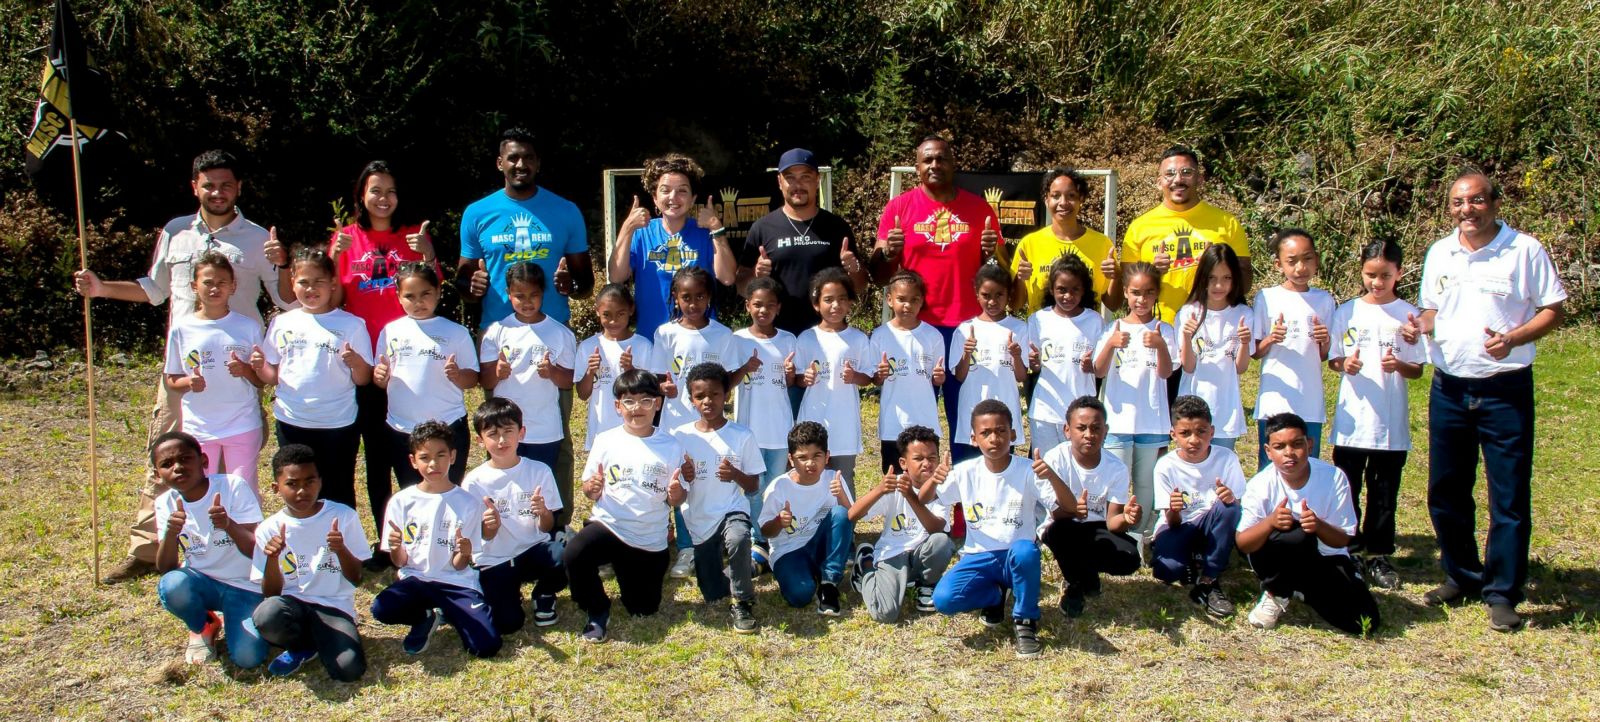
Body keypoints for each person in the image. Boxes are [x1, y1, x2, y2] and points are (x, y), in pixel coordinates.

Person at [73, 149, 291, 582]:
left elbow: (284, 300)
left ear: (239, 188)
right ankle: (148, 546)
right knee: (167, 453)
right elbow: (153, 290)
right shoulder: (175, 233)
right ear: (195, 187)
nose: (217, 192)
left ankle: (236, 546)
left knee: (233, 465)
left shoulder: (256, 239)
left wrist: (282, 263)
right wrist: (100, 289)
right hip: (184, 372)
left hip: (235, 376)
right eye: (208, 184)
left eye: (226, 184)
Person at [1413, 170, 1567, 632]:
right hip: (1450, 387)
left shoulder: (1524, 250)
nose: (1467, 210)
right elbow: (1431, 310)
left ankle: (1502, 592)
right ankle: (1461, 575)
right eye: (1458, 203)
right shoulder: (1440, 252)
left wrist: (1515, 337)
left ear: (1494, 204)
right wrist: (1418, 326)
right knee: (1447, 490)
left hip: (1504, 389)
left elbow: (1553, 308)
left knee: (1509, 495)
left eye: (1476, 201)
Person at [460, 129, 593, 537]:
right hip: (498, 336)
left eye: (528, 158)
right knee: (502, 429)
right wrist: (471, 287)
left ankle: (559, 519)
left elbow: (584, 281)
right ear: (500, 163)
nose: (521, 165)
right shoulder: (477, 213)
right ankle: (507, 515)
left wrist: (573, 285)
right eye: (513, 158)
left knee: (555, 429)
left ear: (538, 163)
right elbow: (464, 280)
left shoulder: (565, 210)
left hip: (551, 333)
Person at [332, 160, 444, 551]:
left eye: (390, 190)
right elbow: (331, 297)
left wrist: (428, 255)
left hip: (410, 362)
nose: (383, 198)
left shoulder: (414, 236)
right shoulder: (345, 239)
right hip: (366, 363)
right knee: (376, 456)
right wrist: (334, 257)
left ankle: (426, 532)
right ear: (362, 196)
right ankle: (386, 540)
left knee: (413, 452)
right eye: (375, 190)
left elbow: (433, 291)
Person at [869, 136, 1003, 435]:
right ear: (917, 167)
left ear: (953, 164)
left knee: (970, 421)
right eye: (927, 160)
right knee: (914, 426)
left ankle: (967, 477)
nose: (934, 165)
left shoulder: (979, 209)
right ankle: (915, 481)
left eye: (941, 158)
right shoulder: (898, 208)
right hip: (917, 328)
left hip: (966, 328)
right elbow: (878, 275)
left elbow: (992, 272)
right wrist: (889, 253)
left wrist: (991, 253)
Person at [931, 400, 1072, 659]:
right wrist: (934, 478)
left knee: (1026, 551)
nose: (994, 438)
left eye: (1001, 431)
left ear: (1013, 434)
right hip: (978, 556)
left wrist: (1052, 476)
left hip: (1015, 555)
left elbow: (1070, 508)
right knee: (944, 600)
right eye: (985, 433)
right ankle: (995, 596)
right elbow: (927, 498)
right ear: (974, 439)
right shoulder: (964, 472)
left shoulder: (1028, 470)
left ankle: (1025, 621)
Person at [1327, 240, 1426, 590]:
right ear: (1361, 272)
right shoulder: (1347, 311)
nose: (1377, 282)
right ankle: (1349, 550)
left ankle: (1378, 555)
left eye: (1385, 275)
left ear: (1399, 272)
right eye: (1371, 274)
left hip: (1389, 423)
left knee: (1384, 492)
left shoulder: (1409, 314)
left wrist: (1399, 364)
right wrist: (1345, 365)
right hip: (1352, 422)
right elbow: (1333, 359)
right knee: (1348, 488)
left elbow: (1417, 369)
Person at [564, 369, 690, 643]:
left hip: (647, 538)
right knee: (574, 554)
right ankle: (597, 608)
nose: (637, 408)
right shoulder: (605, 440)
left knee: (643, 609)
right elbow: (589, 489)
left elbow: (676, 500)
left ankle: (626, 569)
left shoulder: (671, 445)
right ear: (617, 406)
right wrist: (591, 488)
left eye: (646, 401)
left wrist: (676, 493)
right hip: (609, 524)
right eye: (629, 401)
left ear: (657, 404)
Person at [1121, 146, 1252, 404]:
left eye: (1186, 172)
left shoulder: (1226, 223)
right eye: (1169, 174)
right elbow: (1128, 283)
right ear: (1159, 181)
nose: (1177, 179)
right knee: (1160, 418)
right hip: (1160, 332)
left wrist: (1217, 271)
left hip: (1212, 337)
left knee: (1205, 419)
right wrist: (1151, 272)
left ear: (1199, 178)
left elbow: (1245, 280)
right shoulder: (1140, 226)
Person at [1237, 413, 1380, 634]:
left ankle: (1304, 587)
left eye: (1297, 444)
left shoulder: (1333, 477)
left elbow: (1343, 539)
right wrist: (1270, 522)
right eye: (1279, 446)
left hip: (1324, 557)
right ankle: (1277, 592)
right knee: (1296, 534)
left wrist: (1319, 526)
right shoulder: (1260, 485)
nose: (1289, 453)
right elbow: (1243, 544)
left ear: (1309, 444)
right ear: (1268, 451)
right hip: (1275, 556)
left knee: (1364, 623)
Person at [256, 248, 373, 514]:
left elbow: (363, 378)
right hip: (292, 420)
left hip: (338, 422)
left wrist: (356, 362)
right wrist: (258, 366)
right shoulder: (282, 323)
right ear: (293, 282)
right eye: (303, 282)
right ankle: (303, 545)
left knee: (338, 488)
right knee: (299, 489)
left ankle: (343, 549)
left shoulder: (351, 324)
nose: (311, 288)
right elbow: (272, 375)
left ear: (333, 283)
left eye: (318, 281)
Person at [370, 421, 501, 658]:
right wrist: (397, 547)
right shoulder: (401, 502)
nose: (433, 464)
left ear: (452, 456)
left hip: (455, 582)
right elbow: (400, 563)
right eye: (425, 457)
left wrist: (465, 551)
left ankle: (452, 611)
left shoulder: (467, 503)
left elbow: (460, 564)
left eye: (441, 455)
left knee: (486, 646)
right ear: (413, 461)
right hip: (416, 579)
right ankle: (425, 617)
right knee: (382, 608)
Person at [649, 265, 744, 578]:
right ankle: (687, 548)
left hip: (713, 427)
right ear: (675, 297)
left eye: (699, 296)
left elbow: (728, 379)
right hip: (677, 425)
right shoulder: (664, 334)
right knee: (682, 482)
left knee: (709, 481)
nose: (692, 303)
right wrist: (666, 389)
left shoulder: (722, 334)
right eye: (685, 297)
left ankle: (715, 541)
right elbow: (657, 379)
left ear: (709, 298)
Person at [250, 444, 371, 680]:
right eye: (292, 484)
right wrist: (272, 559)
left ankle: (323, 638)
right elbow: (270, 592)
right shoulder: (268, 529)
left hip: (334, 606)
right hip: (292, 606)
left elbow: (356, 578)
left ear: (320, 482)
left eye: (309, 482)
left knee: (349, 670)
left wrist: (341, 549)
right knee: (267, 615)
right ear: (276, 488)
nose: (302, 491)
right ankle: (301, 645)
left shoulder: (343, 516)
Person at [150, 431, 268, 669]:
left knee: (248, 658)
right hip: (204, 582)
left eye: (185, 459)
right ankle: (204, 624)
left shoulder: (231, 486)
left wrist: (228, 525)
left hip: (246, 586)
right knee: (172, 586)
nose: (178, 467)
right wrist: (170, 534)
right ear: (158, 474)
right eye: (167, 464)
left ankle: (236, 616)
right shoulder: (164, 503)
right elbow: (166, 568)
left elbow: (255, 550)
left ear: (203, 461)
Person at [670, 363, 766, 633]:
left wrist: (735, 474)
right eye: (700, 396)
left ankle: (743, 602)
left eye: (714, 394)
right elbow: (675, 489)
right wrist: (684, 476)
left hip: (731, 510)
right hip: (700, 520)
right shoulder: (680, 436)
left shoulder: (741, 435)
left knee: (737, 538)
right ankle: (749, 568)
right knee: (713, 593)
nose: (707, 401)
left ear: (726, 395)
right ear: (691, 399)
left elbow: (753, 485)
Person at [461, 398, 567, 636]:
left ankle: (544, 593)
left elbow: (547, 527)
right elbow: (476, 537)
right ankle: (505, 592)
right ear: (480, 440)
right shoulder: (474, 482)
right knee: (508, 624)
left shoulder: (539, 471)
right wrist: (489, 527)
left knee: (564, 555)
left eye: (508, 431)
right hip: (495, 558)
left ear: (522, 433)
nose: (501, 440)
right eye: (492, 434)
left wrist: (544, 513)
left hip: (531, 550)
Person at [163, 252, 266, 492]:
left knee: (242, 489)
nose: (214, 288)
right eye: (207, 282)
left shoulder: (248, 327)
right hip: (199, 427)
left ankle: (245, 530)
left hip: (242, 423)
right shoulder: (181, 329)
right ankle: (207, 531)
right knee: (200, 488)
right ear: (194, 286)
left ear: (233, 286)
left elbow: (262, 380)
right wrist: (190, 382)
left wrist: (246, 370)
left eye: (221, 282)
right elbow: (172, 380)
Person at [735, 148, 867, 335]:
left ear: (817, 180)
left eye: (805, 177)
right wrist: (756, 276)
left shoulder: (837, 227)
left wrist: (853, 269)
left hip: (827, 337)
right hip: (776, 337)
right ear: (780, 182)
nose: (798, 185)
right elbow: (741, 285)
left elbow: (860, 285)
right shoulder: (762, 228)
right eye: (790, 177)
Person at [1032, 397, 1142, 618]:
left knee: (1130, 558)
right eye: (1081, 428)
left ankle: (1085, 574)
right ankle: (1075, 585)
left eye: (1096, 428)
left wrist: (1128, 519)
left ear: (1106, 430)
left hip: (1097, 527)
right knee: (1060, 532)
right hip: (1064, 524)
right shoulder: (1055, 459)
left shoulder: (1116, 468)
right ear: (1067, 430)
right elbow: (1057, 513)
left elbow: (1112, 523)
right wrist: (1072, 508)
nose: (1089, 434)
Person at [608, 153, 737, 340]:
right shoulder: (641, 233)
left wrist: (717, 228)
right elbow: (616, 276)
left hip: (700, 340)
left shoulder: (705, 232)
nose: (673, 197)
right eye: (665, 190)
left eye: (682, 191)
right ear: (654, 197)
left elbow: (727, 278)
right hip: (651, 338)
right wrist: (627, 229)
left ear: (693, 199)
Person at [372, 264, 480, 486]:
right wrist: (379, 377)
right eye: (410, 296)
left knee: (448, 489)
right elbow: (380, 375)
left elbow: (473, 377)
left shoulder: (456, 332)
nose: (418, 302)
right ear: (398, 297)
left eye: (425, 294)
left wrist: (458, 375)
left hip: (448, 426)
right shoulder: (390, 331)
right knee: (411, 490)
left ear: (438, 292)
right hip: (402, 428)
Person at [1095, 261, 1177, 545]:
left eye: (1148, 293)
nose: (1141, 300)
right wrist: (1110, 345)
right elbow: (1098, 370)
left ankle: (1139, 534)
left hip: (1152, 422)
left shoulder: (1164, 330)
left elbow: (1167, 372)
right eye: (1135, 293)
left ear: (1157, 295)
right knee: (1117, 481)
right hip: (1116, 421)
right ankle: (1114, 531)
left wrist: (1161, 346)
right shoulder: (1112, 328)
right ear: (1126, 294)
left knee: (1145, 484)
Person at [1149, 396, 1246, 619]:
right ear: (1173, 434)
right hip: (1180, 526)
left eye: (1201, 432)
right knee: (1167, 571)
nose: (1194, 440)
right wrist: (1173, 509)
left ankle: (1209, 579)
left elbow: (1238, 509)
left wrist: (1231, 498)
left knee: (1229, 507)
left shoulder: (1227, 458)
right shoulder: (1165, 465)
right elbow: (1172, 521)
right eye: (1185, 433)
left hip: (1211, 522)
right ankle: (1193, 557)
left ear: (1211, 432)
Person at [847, 425, 954, 624]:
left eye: (932, 458)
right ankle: (866, 565)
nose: (927, 464)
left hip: (920, 553)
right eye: (919, 459)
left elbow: (936, 528)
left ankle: (927, 582)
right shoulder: (894, 484)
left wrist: (912, 497)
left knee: (942, 542)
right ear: (903, 463)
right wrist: (879, 490)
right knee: (885, 613)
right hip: (892, 553)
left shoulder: (942, 488)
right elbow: (853, 514)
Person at [478, 262, 577, 475]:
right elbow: (485, 381)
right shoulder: (496, 331)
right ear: (508, 293)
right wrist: (497, 372)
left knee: (538, 489)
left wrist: (552, 372)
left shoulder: (560, 333)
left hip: (544, 430)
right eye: (519, 296)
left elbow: (568, 381)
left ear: (543, 293)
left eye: (534, 295)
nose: (527, 302)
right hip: (503, 431)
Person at [1251, 229, 1336, 470]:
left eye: (1307, 259)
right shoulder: (1266, 297)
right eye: (1292, 261)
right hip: (1275, 399)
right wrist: (1271, 339)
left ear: (1316, 260)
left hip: (1309, 402)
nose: (1300, 267)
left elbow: (1323, 355)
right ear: (1279, 264)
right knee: (1270, 468)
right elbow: (1256, 351)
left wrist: (1324, 341)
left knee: (1307, 465)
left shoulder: (1325, 300)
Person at [732, 276, 798, 569]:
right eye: (757, 304)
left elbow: (791, 382)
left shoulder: (788, 339)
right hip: (749, 429)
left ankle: (774, 539)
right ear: (747, 306)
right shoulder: (737, 339)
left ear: (779, 308)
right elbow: (727, 381)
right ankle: (757, 538)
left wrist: (789, 373)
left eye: (770, 305)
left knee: (774, 484)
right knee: (753, 487)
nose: (763, 310)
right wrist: (745, 367)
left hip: (780, 427)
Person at [758, 421, 855, 616]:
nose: (810, 463)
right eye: (802, 457)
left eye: (816, 456)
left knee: (841, 513)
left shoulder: (833, 478)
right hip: (788, 551)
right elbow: (764, 531)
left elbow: (850, 518)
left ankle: (829, 583)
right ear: (791, 459)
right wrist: (778, 521)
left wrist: (842, 497)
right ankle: (805, 573)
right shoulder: (778, 488)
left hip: (819, 544)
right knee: (800, 595)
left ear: (827, 457)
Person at [795, 268, 874, 484]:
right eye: (828, 300)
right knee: (811, 477)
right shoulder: (806, 338)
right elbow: (797, 378)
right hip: (812, 420)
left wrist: (855, 376)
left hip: (844, 424)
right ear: (816, 304)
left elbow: (868, 377)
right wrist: (805, 378)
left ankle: (846, 518)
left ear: (850, 303)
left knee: (843, 478)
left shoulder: (858, 339)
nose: (835, 305)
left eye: (842, 299)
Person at [1009, 169, 1120, 314]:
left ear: (1081, 199)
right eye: (1056, 196)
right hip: (1042, 335)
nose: (1063, 202)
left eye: (1071, 196)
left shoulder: (1102, 244)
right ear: (1046, 200)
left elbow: (1113, 305)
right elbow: (1015, 305)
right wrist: (1020, 279)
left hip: (1086, 334)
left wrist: (1117, 277)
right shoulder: (1029, 244)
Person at [950, 264, 1030, 466]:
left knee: (1001, 466)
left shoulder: (1019, 328)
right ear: (977, 294)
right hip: (972, 408)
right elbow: (959, 376)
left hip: (1005, 409)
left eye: (999, 295)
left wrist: (1017, 356)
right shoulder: (964, 329)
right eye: (986, 295)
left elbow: (1021, 376)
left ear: (1009, 295)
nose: (992, 301)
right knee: (970, 467)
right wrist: (967, 353)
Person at [1175, 244, 1253, 450]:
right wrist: (1185, 336)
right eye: (1212, 278)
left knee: (1221, 467)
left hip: (1226, 408)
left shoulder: (1243, 314)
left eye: (1226, 278)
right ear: (1203, 278)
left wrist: (1245, 343)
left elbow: (1241, 368)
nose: (1219, 285)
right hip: (1191, 407)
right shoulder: (1188, 312)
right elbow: (1188, 367)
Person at [1025, 254, 1104, 455]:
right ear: (1051, 289)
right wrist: (1033, 363)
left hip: (1082, 414)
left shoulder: (1094, 321)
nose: (1067, 296)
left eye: (1074, 289)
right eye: (1061, 289)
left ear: (1083, 290)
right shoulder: (1038, 319)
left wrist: (1091, 367)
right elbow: (1034, 366)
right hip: (1045, 411)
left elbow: (1101, 368)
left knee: (1079, 468)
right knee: (1046, 469)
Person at [868, 270, 947, 470]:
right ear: (889, 299)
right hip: (893, 424)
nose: (907, 305)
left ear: (922, 302)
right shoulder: (879, 335)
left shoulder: (933, 335)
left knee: (925, 474)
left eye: (914, 300)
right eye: (901, 299)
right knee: (893, 478)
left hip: (925, 421)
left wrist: (939, 378)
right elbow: (875, 379)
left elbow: (937, 378)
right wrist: (880, 374)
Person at [575, 283, 653, 450]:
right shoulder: (588, 346)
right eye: (606, 315)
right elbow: (582, 394)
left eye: (620, 314)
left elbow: (651, 391)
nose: (613, 321)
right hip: (600, 431)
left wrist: (631, 371)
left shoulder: (643, 345)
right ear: (597, 311)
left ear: (631, 310)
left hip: (636, 431)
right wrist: (590, 372)